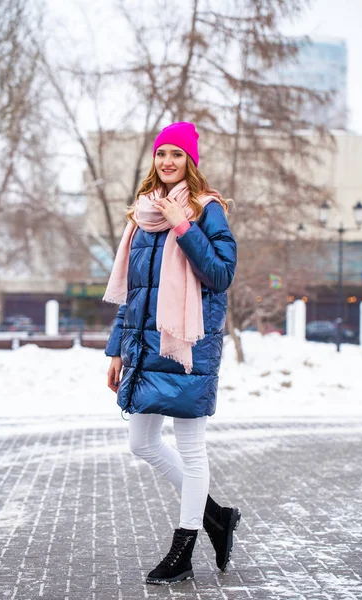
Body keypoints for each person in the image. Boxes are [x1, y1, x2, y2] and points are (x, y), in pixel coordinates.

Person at [104, 121, 239, 585]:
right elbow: (134, 293)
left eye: (177, 155)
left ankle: (183, 550)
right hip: (145, 346)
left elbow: (220, 275)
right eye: (162, 153)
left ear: (191, 162)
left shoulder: (206, 209)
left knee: (191, 448)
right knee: (141, 442)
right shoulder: (142, 215)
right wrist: (116, 349)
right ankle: (217, 516)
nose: (167, 162)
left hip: (187, 347)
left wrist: (184, 226)